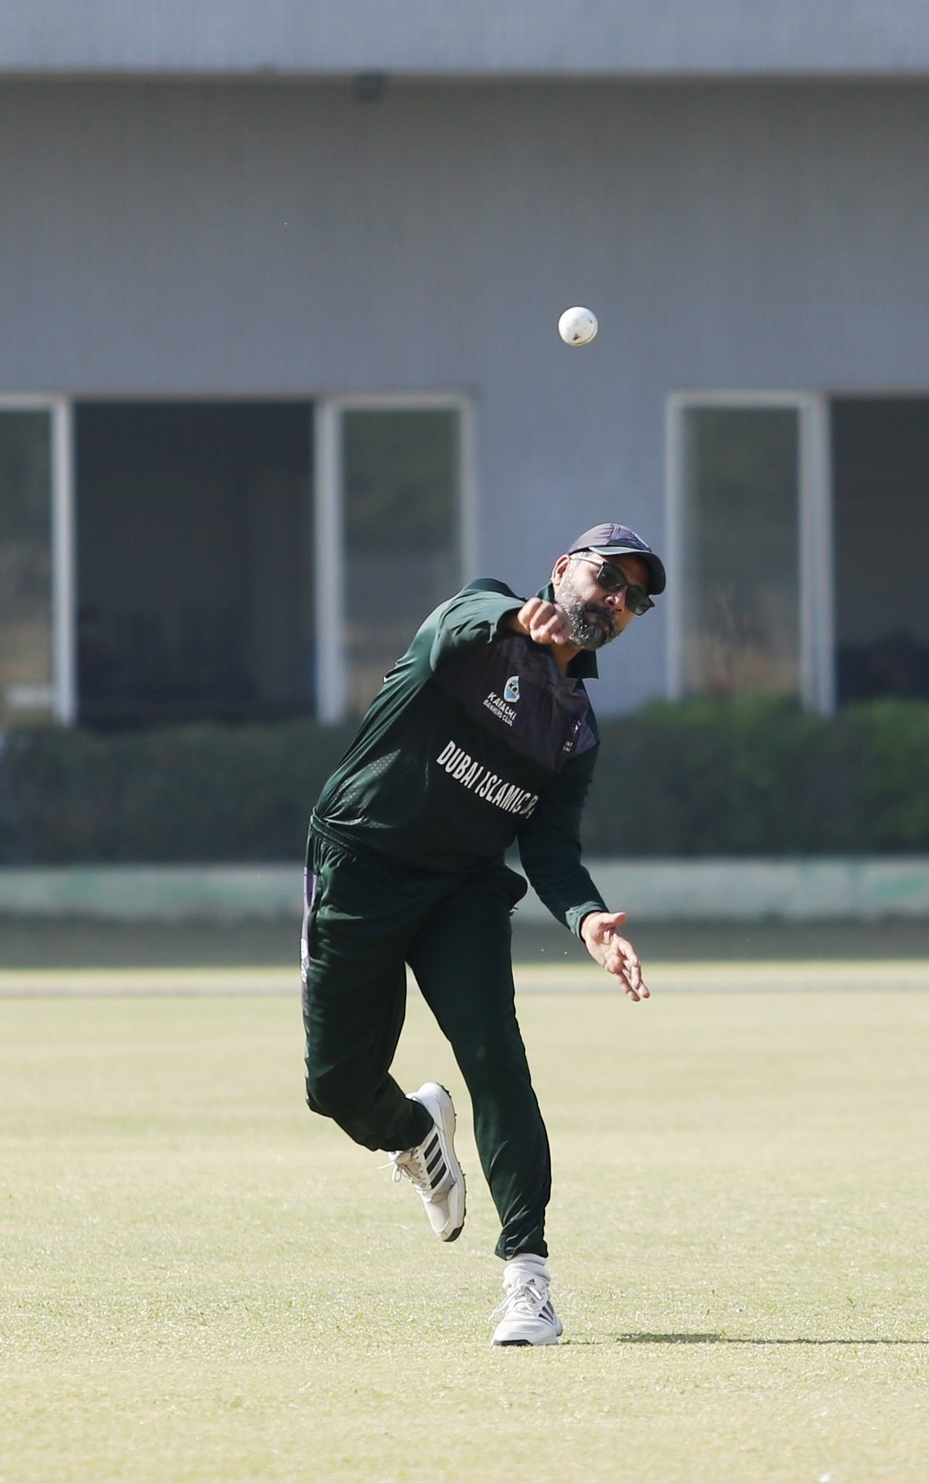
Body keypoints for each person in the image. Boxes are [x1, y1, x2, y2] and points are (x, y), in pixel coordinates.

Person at [301, 523, 665, 1346]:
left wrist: (587, 918)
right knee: (335, 1088)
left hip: (461, 890)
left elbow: (550, 849)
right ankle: (414, 1132)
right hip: (360, 865)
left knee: (496, 1057)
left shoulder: (575, 727)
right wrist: (513, 620)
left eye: (634, 600)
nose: (616, 600)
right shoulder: (480, 618)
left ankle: (527, 1281)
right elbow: (461, 619)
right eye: (608, 578)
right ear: (563, 569)